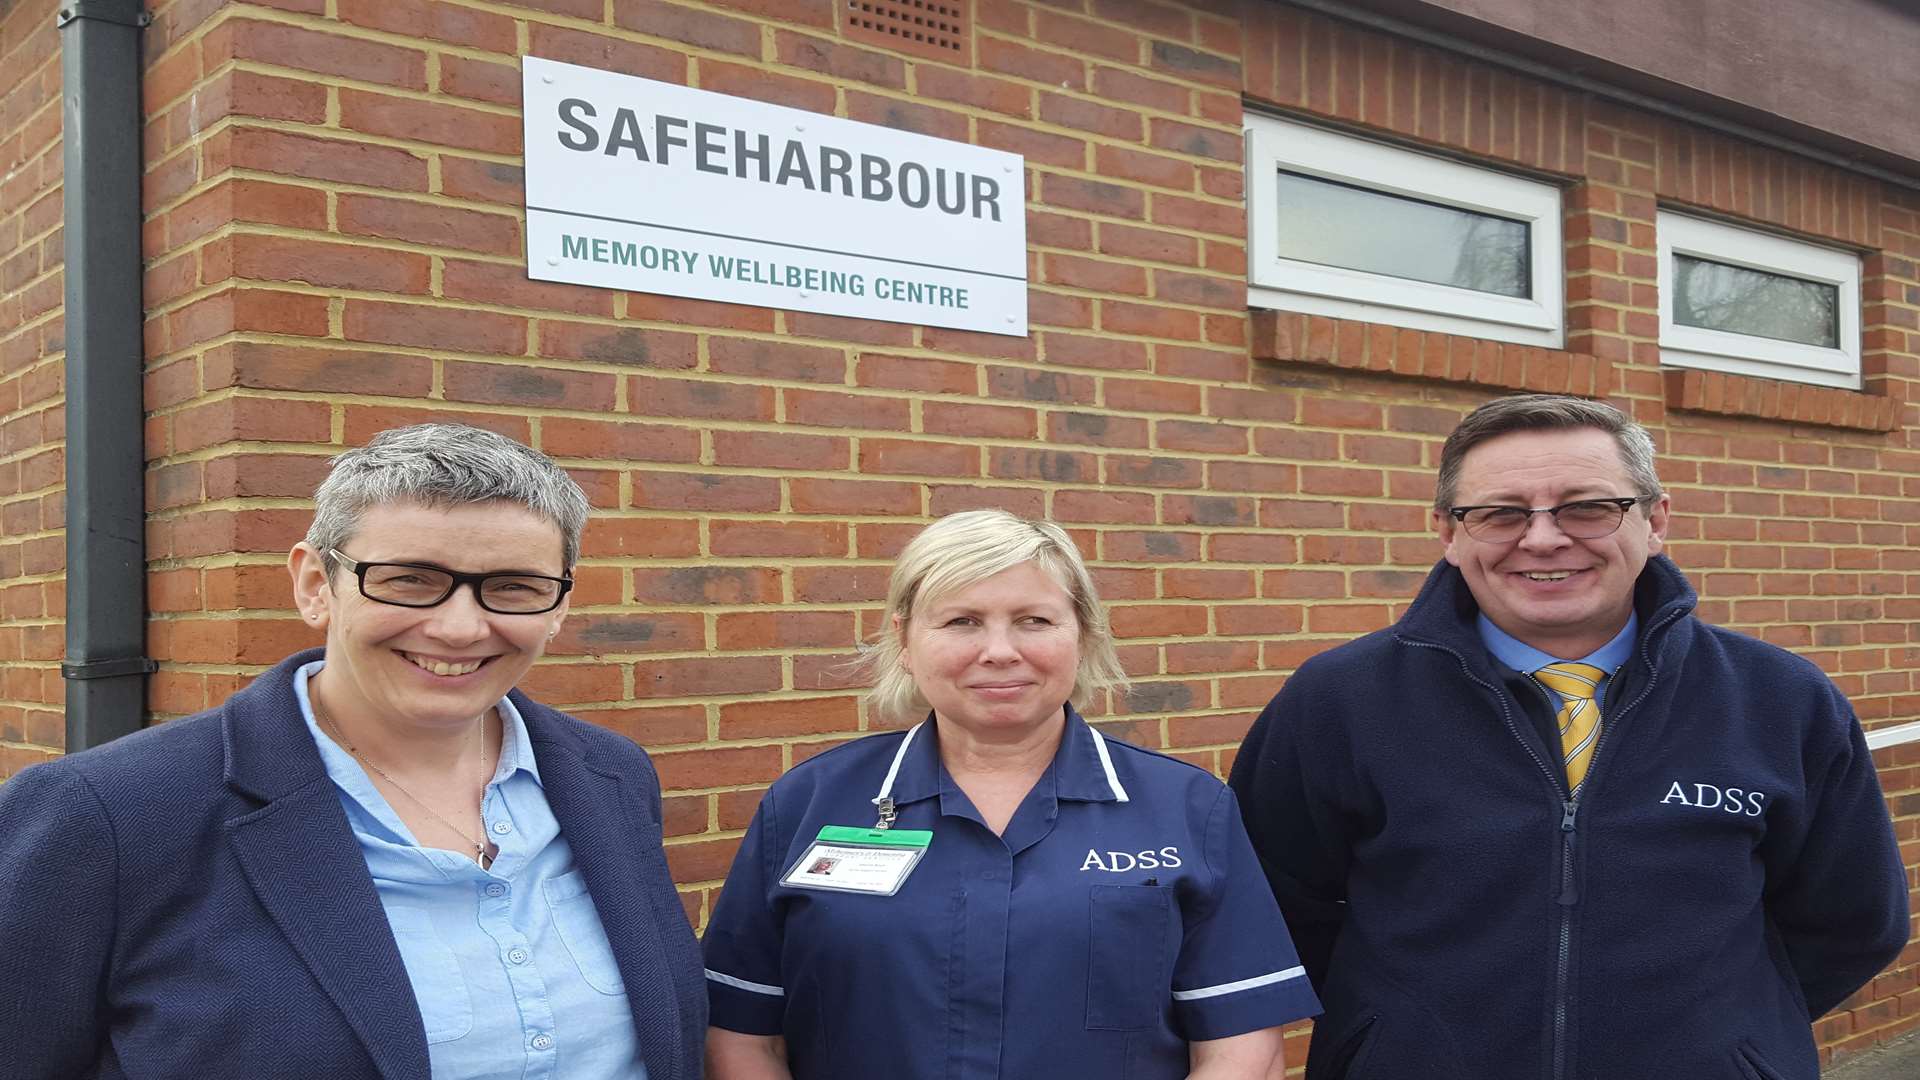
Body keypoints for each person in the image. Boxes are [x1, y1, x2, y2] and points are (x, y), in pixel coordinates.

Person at [1230, 394, 1909, 1080]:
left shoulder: (1780, 699)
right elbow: (1271, 911)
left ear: (1655, 520)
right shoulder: (1339, 700)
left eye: (1588, 507)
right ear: (1448, 532)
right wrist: (1389, 1037)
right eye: (1501, 512)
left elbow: (1853, 922)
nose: (1545, 538)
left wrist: (1733, 1042)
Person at [0, 423, 706, 1080]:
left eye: (513, 587)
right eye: (409, 580)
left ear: (557, 608)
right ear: (316, 584)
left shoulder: (610, 775)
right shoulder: (108, 817)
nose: (461, 627)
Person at [702, 510, 1320, 1079]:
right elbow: (740, 1035)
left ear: (1082, 634)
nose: (1000, 652)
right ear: (905, 640)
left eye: (1034, 620)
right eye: (961, 621)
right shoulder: (808, 803)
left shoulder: (1186, 809)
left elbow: (1242, 1049)